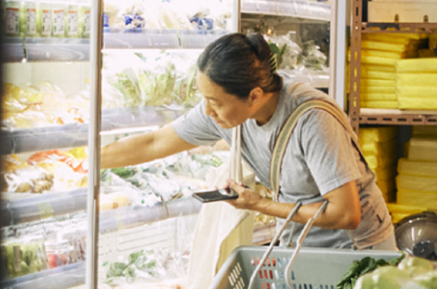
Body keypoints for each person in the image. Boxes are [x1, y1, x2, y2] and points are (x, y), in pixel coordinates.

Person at [101, 32, 396, 250]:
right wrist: (87, 160)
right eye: (204, 98)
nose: (207, 111)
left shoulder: (313, 120)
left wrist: (259, 204)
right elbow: (154, 142)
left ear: (254, 96)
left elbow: (345, 213)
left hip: (356, 253)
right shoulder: (225, 112)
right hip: (301, 248)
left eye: (214, 101)